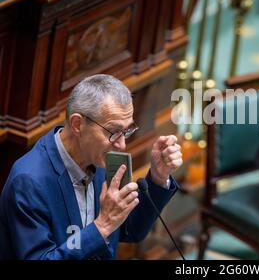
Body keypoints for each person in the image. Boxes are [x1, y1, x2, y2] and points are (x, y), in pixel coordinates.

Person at [0, 74, 183, 259]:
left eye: (126, 131)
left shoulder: (100, 158)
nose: (122, 145)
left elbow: (130, 230)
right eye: (113, 132)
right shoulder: (29, 182)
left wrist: (159, 178)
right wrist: (102, 226)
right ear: (77, 124)